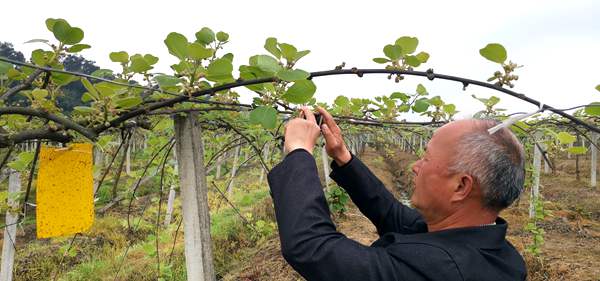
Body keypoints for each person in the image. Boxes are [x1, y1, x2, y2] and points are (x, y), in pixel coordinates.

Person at [267, 106, 527, 281]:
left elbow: (312, 247)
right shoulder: (493, 250)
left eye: (426, 159)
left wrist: (299, 152)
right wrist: (343, 158)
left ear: (461, 186)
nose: (415, 167)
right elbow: (392, 214)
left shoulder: (438, 269)